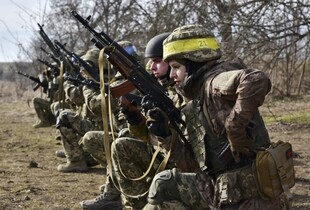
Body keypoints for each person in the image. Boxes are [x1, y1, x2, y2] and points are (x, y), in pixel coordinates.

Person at [142, 25, 291, 210]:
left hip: (254, 200)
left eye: (176, 67)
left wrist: (234, 127)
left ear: (193, 63)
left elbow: (255, 79)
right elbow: (193, 165)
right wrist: (165, 137)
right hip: (224, 195)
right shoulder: (194, 100)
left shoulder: (213, 82)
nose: (172, 75)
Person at [80, 34, 183, 210]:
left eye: (158, 61)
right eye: (151, 61)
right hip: (162, 154)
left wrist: (87, 87)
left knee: (121, 139)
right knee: (121, 142)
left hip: (179, 164)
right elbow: (143, 136)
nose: (152, 66)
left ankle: (121, 195)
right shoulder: (159, 86)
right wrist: (135, 119)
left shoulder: (178, 91)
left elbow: (95, 106)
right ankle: (132, 202)